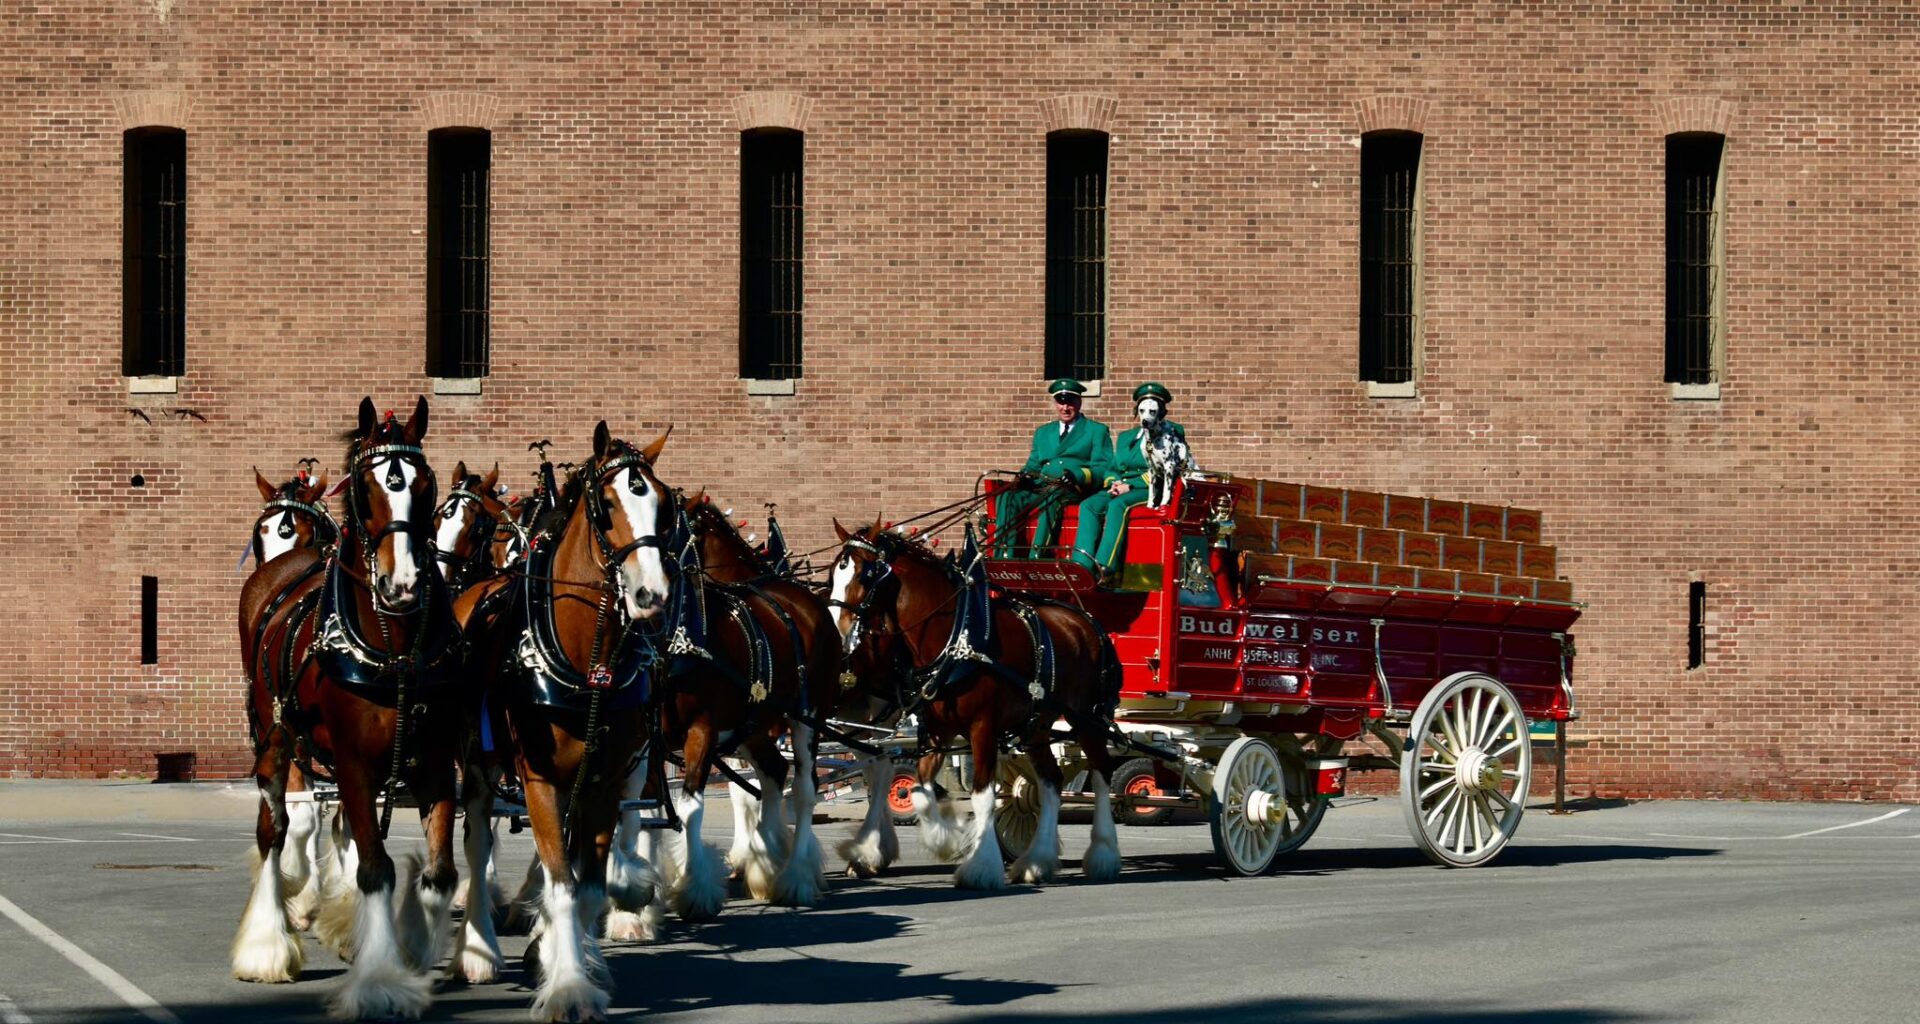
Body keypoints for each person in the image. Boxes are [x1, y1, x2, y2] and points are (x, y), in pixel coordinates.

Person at [1072, 382, 1190, 582]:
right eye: (1142, 410)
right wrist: (1114, 482)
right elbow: (1113, 466)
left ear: (1161, 412)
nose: (1147, 416)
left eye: (1153, 411)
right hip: (1121, 486)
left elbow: (1169, 466)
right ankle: (1081, 565)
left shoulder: (1173, 431)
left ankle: (1106, 566)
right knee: (1089, 505)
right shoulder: (1126, 437)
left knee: (1118, 506)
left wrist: (1131, 485)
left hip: (1149, 487)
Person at [992, 377, 1113, 559]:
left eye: (1070, 402)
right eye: (1060, 403)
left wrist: (1078, 475)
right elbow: (1033, 464)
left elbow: (1103, 467)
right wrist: (1024, 476)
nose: (1065, 408)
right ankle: (1004, 555)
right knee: (1008, 496)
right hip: (1041, 485)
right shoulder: (1043, 432)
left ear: (1079, 402)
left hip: (1071, 489)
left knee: (1053, 496)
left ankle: (1037, 555)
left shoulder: (1096, 431)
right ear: (1055, 404)